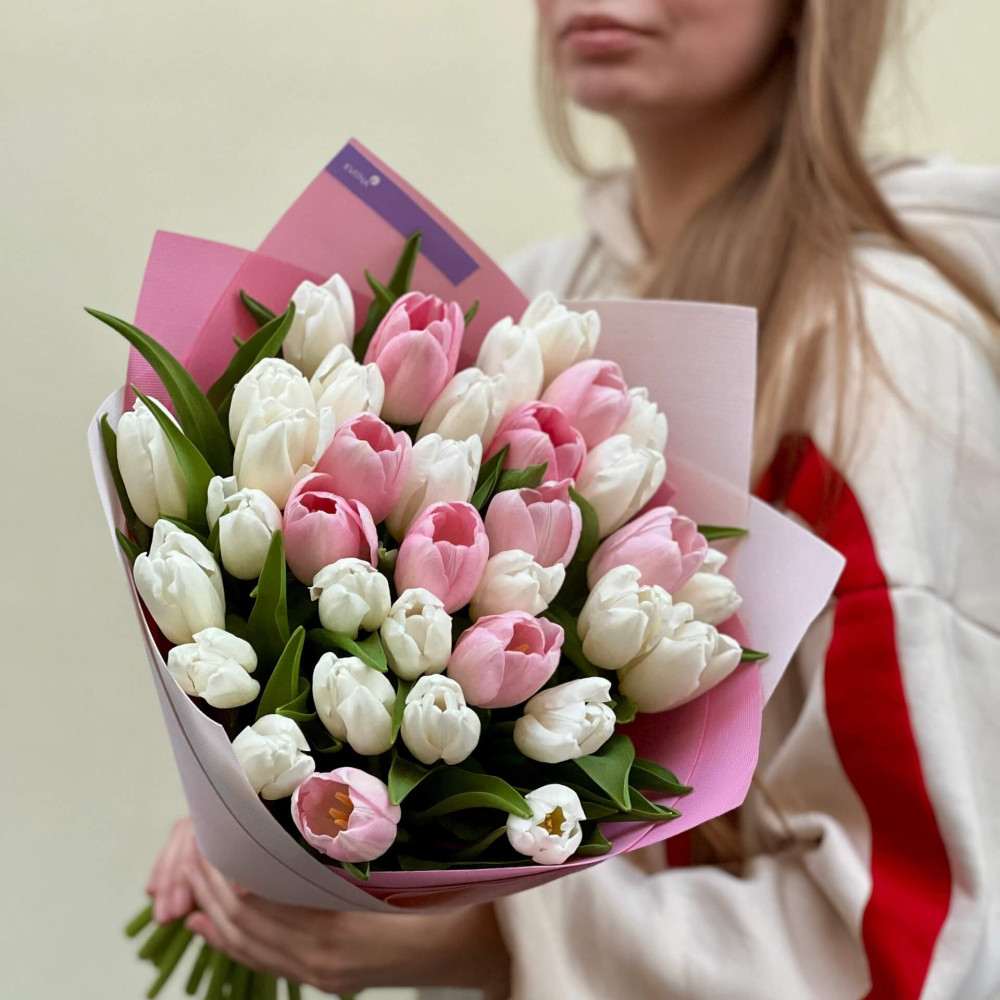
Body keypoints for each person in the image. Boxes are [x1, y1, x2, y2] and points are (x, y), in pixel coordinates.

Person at [147, 0, 1000, 996]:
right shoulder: (536, 301)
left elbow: (921, 934)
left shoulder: (880, 347)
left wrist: (500, 937)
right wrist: (269, 800)